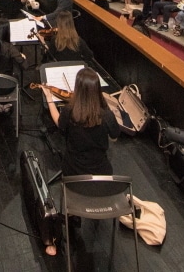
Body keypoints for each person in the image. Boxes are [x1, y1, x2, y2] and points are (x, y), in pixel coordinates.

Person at [41, 67, 120, 258]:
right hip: (102, 183)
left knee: (70, 181)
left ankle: (71, 216)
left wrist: (49, 98)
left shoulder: (70, 111)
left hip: (74, 178)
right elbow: (115, 136)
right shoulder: (106, 115)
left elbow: (59, 125)